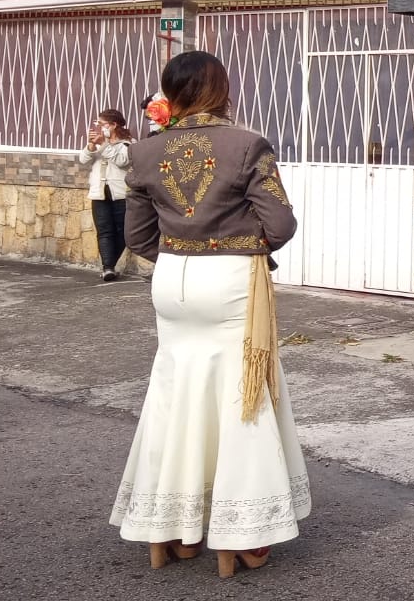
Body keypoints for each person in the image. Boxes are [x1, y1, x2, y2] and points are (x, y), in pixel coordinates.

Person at [111, 51, 309, 578]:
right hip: (229, 282)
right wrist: (237, 244)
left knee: (174, 395)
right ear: (222, 90)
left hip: (171, 281)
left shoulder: (144, 152)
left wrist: (182, 251)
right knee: (242, 395)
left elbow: (136, 238)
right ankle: (241, 536)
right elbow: (281, 225)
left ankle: (169, 529)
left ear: (169, 95)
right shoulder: (248, 144)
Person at [79, 109, 135, 281]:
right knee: (104, 231)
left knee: (123, 232)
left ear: (113, 125)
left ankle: (109, 264)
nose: (99, 127)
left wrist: (103, 145)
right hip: (99, 193)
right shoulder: (99, 144)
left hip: (120, 194)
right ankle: (108, 267)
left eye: (102, 124)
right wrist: (90, 146)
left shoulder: (128, 144)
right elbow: (83, 160)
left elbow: (122, 161)